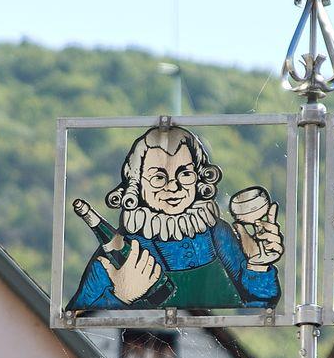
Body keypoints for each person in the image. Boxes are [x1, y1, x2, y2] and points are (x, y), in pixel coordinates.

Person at [67, 126, 282, 310]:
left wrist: (258, 267)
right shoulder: (120, 253)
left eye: (185, 174)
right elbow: (76, 324)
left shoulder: (217, 235)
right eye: (158, 177)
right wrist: (120, 295)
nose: (173, 187)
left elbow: (258, 307)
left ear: (199, 179)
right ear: (137, 184)